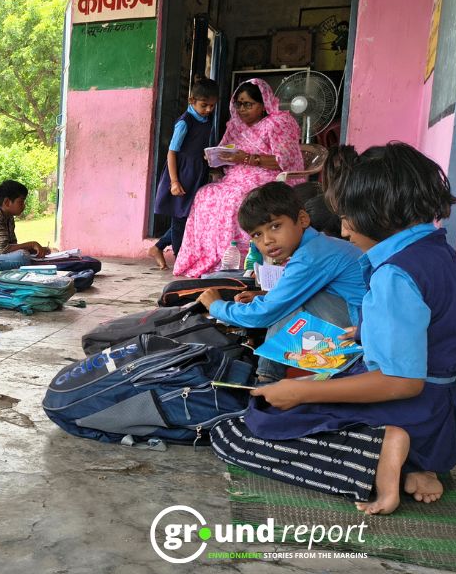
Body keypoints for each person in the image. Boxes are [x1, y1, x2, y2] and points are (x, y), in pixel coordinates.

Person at [208, 143, 456, 515]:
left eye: (349, 216)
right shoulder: (446, 256)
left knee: (249, 428)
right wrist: (365, 334)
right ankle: (414, 467)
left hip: (407, 414)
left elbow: (402, 383)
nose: (344, 228)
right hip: (445, 426)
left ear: (379, 213)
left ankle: (381, 453)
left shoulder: (394, 274)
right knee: (293, 393)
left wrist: (301, 393)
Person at [197, 182, 365, 380]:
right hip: (358, 328)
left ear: (302, 219)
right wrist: (266, 296)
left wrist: (216, 306)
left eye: (275, 226)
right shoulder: (320, 246)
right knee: (281, 303)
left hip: (359, 341)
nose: (267, 240)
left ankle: (266, 379)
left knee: (283, 309)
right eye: (257, 235)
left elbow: (265, 314)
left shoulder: (311, 256)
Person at [172, 79, 304, 277]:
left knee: (235, 198)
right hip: (234, 178)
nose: (242, 109)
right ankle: (214, 258)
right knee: (205, 194)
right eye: (239, 104)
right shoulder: (235, 126)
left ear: (263, 104)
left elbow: (285, 161)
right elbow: (226, 152)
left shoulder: (278, 123)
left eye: (248, 104)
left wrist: (247, 158)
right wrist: (217, 157)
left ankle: (243, 259)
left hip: (267, 178)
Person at [149, 77, 219, 269]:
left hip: (197, 173)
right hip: (182, 176)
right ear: (191, 101)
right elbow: (172, 153)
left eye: (212, 106)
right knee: (180, 219)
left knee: (188, 217)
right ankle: (181, 260)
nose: (208, 110)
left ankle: (159, 246)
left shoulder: (206, 119)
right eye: (204, 105)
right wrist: (174, 181)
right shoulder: (184, 123)